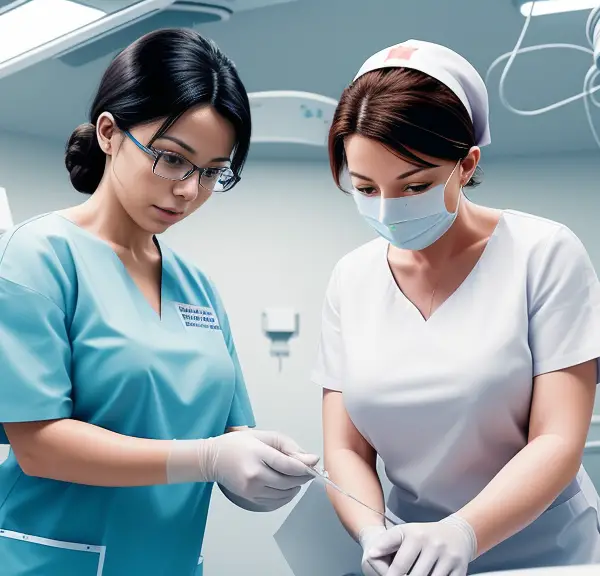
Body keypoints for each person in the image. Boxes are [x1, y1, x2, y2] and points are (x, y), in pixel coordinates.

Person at [0, 28, 318, 576]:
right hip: (49, 562)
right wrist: (206, 459)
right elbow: (40, 444)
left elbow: (230, 433)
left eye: (213, 172)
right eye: (172, 158)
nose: (189, 190)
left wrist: (262, 471)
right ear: (108, 132)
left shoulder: (197, 288)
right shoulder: (39, 256)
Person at [312, 39, 600, 576]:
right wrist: (372, 531)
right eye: (365, 187)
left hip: (548, 554)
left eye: (414, 185)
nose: (387, 209)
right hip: (410, 558)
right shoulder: (351, 279)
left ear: (466, 165)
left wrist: (464, 533)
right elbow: (346, 450)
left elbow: (558, 439)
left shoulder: (544, 253)